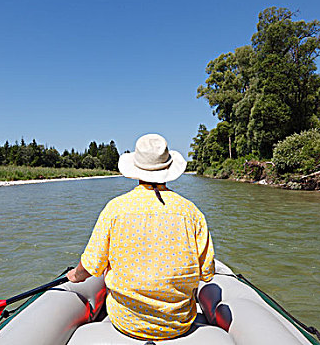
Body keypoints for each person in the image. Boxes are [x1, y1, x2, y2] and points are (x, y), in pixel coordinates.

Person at [66, 133, 215, 341]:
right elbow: (206, 273)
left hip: (126, 322)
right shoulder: (191, 212)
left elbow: (92, 266)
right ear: (168, 170)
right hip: (178, 324)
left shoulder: (115, 208)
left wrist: (74, 276)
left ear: (136, 171)